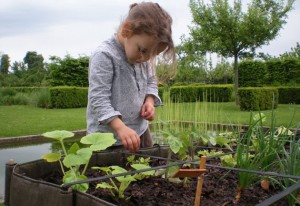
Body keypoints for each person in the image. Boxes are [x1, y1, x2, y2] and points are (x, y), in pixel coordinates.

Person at [86, 2, 176, 152]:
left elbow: (151, 81)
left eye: (153, 55)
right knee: (111, 174)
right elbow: (98, 99)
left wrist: (149, 101)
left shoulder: (143, 56)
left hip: (140, 131)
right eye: (143, 50)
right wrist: (121, 128)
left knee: (146, 172)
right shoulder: (104, 55)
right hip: (107, 140)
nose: (146, 58)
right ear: (127, 30)